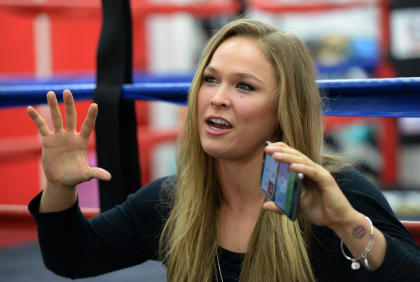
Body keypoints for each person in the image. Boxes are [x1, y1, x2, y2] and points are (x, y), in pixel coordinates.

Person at [26, 18, 420, 282]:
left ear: (283, 109)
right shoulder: (173, 199)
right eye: (211, 80)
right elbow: (72, 259)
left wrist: (346, 224)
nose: (217, 98)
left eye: (244, 86)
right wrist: (60, 188)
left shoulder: (331, 191)